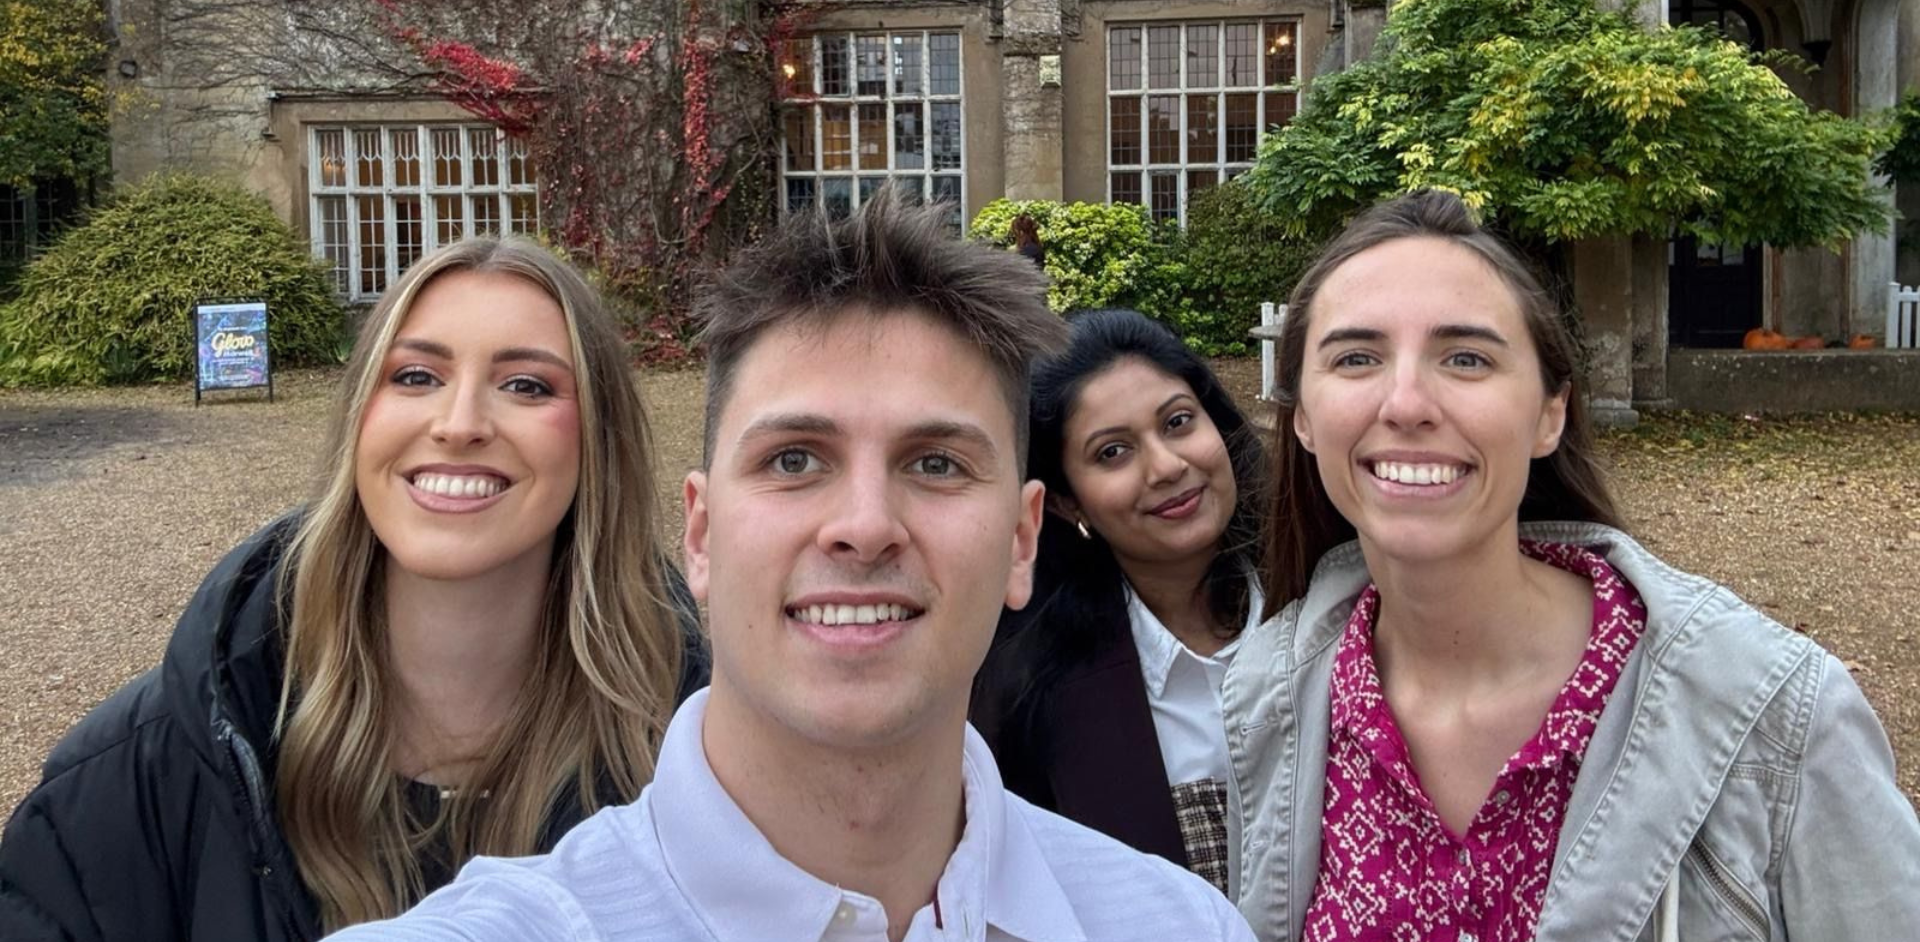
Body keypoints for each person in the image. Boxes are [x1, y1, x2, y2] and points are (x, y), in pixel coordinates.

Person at [323, 196, 1255, 942]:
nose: (864, 527)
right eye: (794, 459)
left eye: (936, 464)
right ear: (700, 534)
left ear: (1022, 541)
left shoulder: (1181, 924)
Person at [1227, 190, 1920, 940]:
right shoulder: (1270, 697)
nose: (1406, 403)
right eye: (1357, 358)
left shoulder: (1775, 716)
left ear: (1549, 414)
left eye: (1466, 358)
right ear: (1303, 417)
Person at [0, 237, 708, 942]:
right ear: (358, 420)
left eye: (526, 386)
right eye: (415, 376)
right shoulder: (139, 777)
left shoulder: (696, 761)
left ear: (598, 440)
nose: (459, 424)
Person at [971, 308, 1265, 893]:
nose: (1167, 466)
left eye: (1178, 422)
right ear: (1065, 502)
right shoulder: (1029, 699)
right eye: (1112, 452)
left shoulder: (1336, 610)